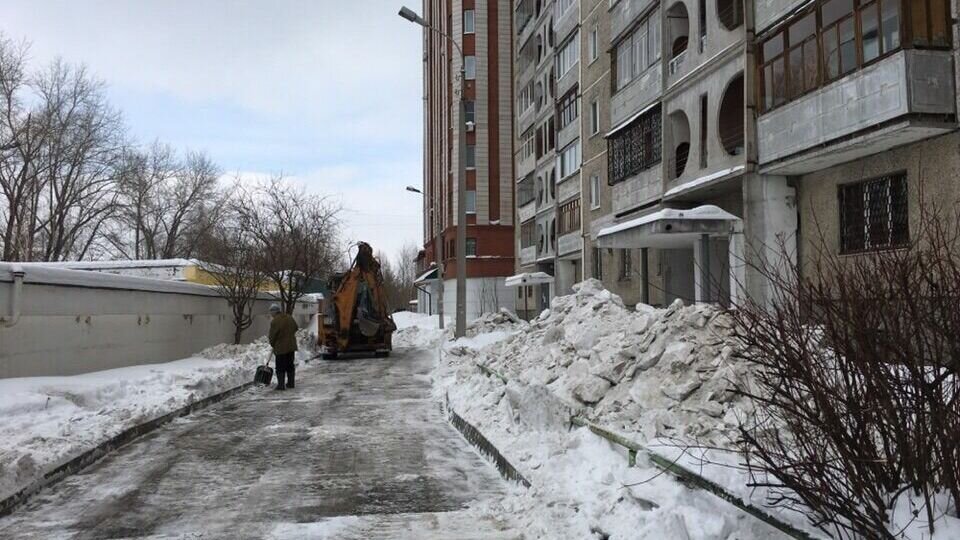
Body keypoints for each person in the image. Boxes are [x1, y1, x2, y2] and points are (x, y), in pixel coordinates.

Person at [268, 303, 299, 390]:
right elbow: (296, 327)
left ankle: (281, 385)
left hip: (281, 347)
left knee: (280, 366)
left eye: (271, 312)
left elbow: (272, 336)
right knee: (290, 364)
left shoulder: (275, 321)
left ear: (274, 311)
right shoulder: (289, 317)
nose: (271, 314)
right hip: (291, 346)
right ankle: (291, 383)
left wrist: (273, 343)